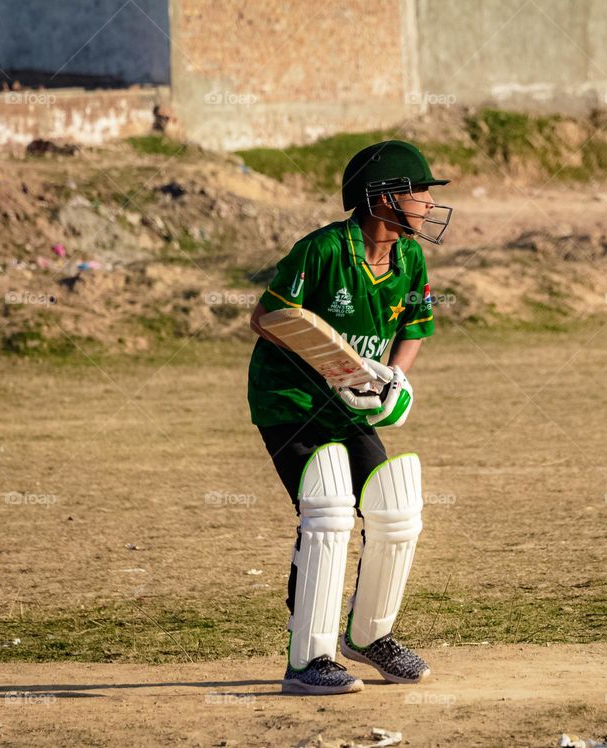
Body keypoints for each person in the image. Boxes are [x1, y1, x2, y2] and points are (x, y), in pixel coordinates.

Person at [247, 140, 452, 695]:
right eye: (419, 192)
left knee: (395, 505)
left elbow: (412, 326)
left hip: (348, 404)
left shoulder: (409, 256)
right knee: (328, 509)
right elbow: (266, 318)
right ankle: (307, 658)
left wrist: (393, 377)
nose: (429, 204)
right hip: (289, 401)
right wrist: (334, 364)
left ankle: (368, 636)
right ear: (382, 197)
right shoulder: (322, 250)